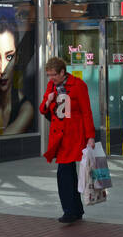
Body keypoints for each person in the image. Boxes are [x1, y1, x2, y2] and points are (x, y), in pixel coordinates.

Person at [40, 56, 96, 224]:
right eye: (48, 75)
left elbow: (87, 112)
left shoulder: (79, 86)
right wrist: (48, 100)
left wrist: (90, 137)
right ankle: (76, 210)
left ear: (63, 72)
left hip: (74, 136)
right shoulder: (51, 87)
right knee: (68, 172)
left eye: (53, 75)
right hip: (59, 137)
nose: (51, 79)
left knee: (64, 173)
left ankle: (70, 211)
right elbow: (43, 109)